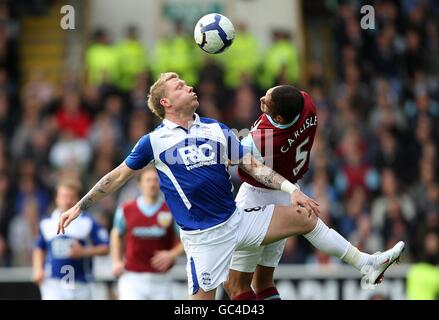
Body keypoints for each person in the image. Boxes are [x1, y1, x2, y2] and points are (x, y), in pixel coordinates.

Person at [58, 72, 404, 300]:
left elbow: (253, 166)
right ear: (165, 103)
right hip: (204, 239)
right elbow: (116, 176)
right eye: (179, 86)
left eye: (185, 83)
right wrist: (80, 206)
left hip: (238, 220)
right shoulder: (154, 142)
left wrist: (291, 190)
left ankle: (366, 263)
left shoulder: (214, 128)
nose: (188, 86)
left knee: (305, 217)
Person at [224, 85, 318, 300]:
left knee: (235, 285)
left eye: (266, 102)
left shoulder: (263, 139)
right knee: (263, 281)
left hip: (257, 195)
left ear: (279, 117)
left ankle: (361, 260)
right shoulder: (307, 105)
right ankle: (360, 260)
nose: (261, 100)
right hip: (286, 195)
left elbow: (234, 156)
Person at [111, 166, 184, 299]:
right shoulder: (126, 209)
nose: (152, 184)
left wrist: (172, 254)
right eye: (148, 180)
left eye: (156, 180)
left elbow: (187, 239)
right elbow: (116, 233)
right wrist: (116, 261)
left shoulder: (171, 210)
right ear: (139, 184)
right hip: (132, 278)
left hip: (161, 279)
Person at [32, 179, 109, 300]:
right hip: (53, 283)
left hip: (81, 283)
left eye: (71, 197)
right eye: (63, 196)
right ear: (56, 198)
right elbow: (39, 248)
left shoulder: (88, 221)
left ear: (78, 199)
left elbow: (105, 248)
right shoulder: (46, 223)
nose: (67, 201)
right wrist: (38, 269)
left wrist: (84, 252)